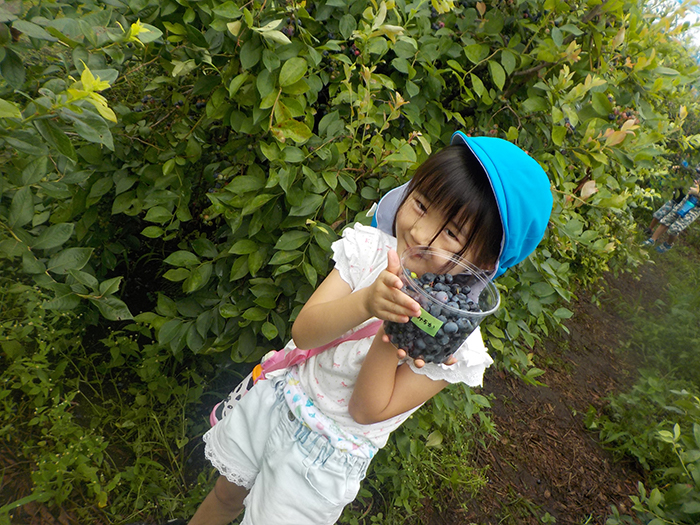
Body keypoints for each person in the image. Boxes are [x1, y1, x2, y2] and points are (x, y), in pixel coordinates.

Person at [188, 132, 553, 525]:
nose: (420, 232)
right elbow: (305, 333)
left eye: (451, 233)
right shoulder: (368, 251)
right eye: (420, 204)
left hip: (322, 462)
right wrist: (365, 303)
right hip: (278, 403)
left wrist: (395, 331)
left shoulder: (456, 343)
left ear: (484, 261)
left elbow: (366, 410)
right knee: (225, 495)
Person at [642, 175, 700, 253]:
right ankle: (652, 240)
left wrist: (697, 192)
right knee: (667, 220)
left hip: (695, 209)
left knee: (674, 229)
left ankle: (668, 244)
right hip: (686, 200)